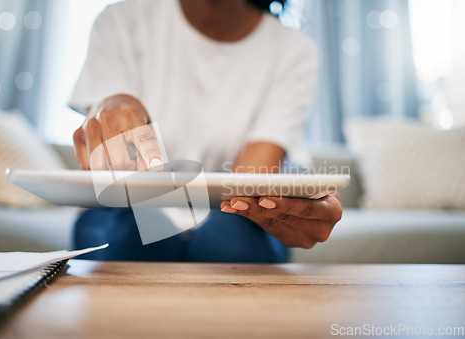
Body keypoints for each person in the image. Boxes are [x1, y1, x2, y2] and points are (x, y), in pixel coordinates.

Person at [69, 0, 343, 263]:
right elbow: (114, 152)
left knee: (230, 242)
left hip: (229, 221)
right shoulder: (121, 20)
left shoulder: (293, 50)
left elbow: (246, 187)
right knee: (130, 233)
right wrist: (111, 104)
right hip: (127, 213)